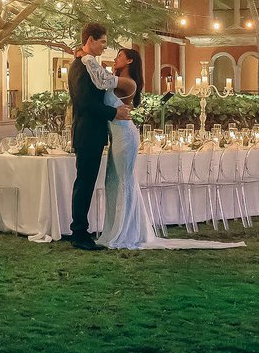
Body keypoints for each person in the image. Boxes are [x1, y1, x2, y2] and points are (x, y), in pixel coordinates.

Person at [80, 46, 244, 251]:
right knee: (114, 181)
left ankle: (126, 232)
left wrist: (87, 57)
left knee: (124, 181)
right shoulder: (119, 79)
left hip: (125, 137)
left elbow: (103, 80)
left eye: (119, 56)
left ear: (130, 61)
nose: (115, 58)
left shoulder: (129, 83)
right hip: (117, 137)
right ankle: (116, 230)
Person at [66, 22, 122, 251]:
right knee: (84, 183)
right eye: (102, 42)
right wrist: (113, 112)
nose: (104, 47)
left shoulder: (91, 66)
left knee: (87, 183)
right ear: (90, 40)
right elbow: (85, 103)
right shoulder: (80, 67)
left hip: (94, 134)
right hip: (87, 133)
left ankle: (82, 230)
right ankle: (79, 232)